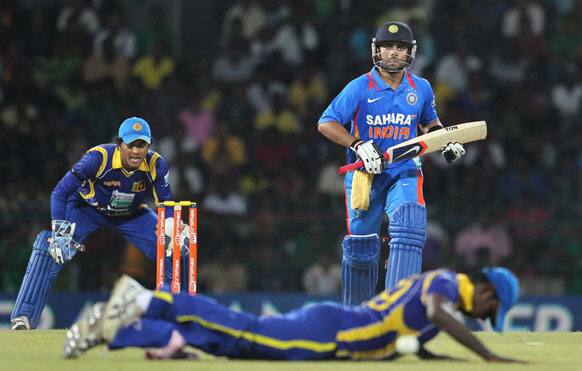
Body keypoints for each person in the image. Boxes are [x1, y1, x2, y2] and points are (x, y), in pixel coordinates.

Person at [62, 266, 522, 363]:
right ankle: (143, 300)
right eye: (491, 308)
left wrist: (452, 362)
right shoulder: (446, 287)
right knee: (243, 329)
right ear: (484, 289)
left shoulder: (442, 289)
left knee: (236, 345)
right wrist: (488, 357)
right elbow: (440, 316)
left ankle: (128, 328)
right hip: (328, 334)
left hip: (333, 330)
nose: (485, 315)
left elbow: (417, 343)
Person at [317, 21, 466, 305]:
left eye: (401, 47)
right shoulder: (360, 87)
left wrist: (446, 140)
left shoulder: (420, 87)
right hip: (366, 174)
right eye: (388, 47)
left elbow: (429, 124)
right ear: (377, 50)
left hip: (405, 170)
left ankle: (398, 312)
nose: (394, 53)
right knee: (362, 249)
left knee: (409, 226)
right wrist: (357, 145)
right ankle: (358, 320)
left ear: (411, 52)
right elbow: (326, 123)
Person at [10, 117, 189, 330]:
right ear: (119, 143)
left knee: (175, 246)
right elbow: (60, 192)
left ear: (148, 145)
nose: (135, 151)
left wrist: (171, 224)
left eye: (141, 145)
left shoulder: (156, 164)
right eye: (130, 145)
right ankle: (23, 319)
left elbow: (166, 204)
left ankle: (177, 316)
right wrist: (59, 230)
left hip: (131, 214)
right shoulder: (98, 158)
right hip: (87, 210)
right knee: (49, 247)